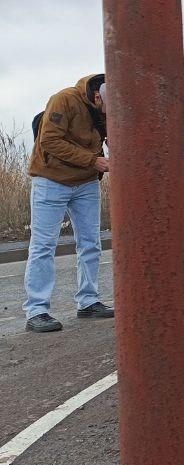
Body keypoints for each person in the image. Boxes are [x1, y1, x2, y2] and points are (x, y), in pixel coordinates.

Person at [23, 74, 115, 332]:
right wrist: (92, 160)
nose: (108, 115)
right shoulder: (63, 100)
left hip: (86, 184)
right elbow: (49, 141)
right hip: (51, 180)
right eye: (106, 110)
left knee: (90, 243)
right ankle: (37, 310)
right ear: (97, 96)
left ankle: (88, 301)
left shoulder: (109, 102)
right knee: (43, 245)